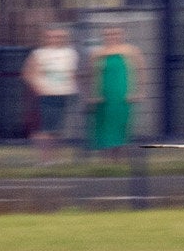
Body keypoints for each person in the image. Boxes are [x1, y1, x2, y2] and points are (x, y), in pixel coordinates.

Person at [20, 26, 79, 164]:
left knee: (57, 129)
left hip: (63, 94)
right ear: (46, 38)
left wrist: (74, 88)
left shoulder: (70, 53)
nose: (55, 39)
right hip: (46, 95)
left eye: (59, 37)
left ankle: (55, 159)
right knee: (44, 128)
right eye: (52, 36)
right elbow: (27, 73)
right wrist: (38, 88)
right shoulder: (39, 54)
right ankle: (43, 159)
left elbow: (72, 74)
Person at [87, 26, 146, 158]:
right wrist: (92, 94)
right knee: (103, 124)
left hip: (122, 93)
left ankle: (119, 156)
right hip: (103, 94)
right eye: (108, 34)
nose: (112, 37)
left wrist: (139, 92)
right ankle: (105, 157)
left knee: (121, 123)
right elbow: (91, 75)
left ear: (122, 35)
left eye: (115, 34)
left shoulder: (130, 51)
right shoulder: (97, 53)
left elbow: (141, 71)